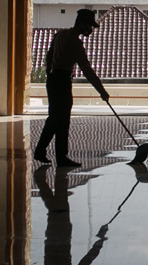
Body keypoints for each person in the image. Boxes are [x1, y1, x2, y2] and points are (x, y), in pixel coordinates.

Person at [34, 9, 109, 167]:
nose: (90, 29)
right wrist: (102, 91)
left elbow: (49, 56)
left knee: (54, 118)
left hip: (53, 80)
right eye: (89, 25)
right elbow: (87, 70)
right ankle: (59, 156)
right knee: (61, 120)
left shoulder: (60, 35)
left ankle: (42, 151)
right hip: (62, 81)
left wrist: (49, 73)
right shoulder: (75, 43)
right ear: (82, 24)